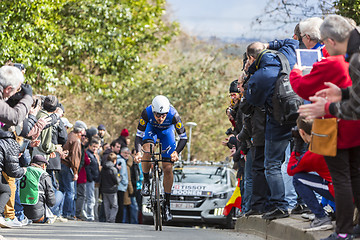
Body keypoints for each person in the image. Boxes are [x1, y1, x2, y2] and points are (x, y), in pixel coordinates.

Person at [297, 15, 360, 240]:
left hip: (343, 126)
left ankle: (343, 232)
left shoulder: (345, 59)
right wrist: (341, 94)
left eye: (323, 41)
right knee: (354, 176)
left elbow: (357, 104)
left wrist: (329, 107)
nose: (322, 45)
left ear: (332, 41)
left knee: (342, 178)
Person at [245, 38, 298, 220]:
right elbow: (291, 41)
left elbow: (251, 103)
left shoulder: (260, 76)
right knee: (300, 161)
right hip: (300, 118)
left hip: (278, 123)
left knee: (272, 165)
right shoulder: (289, 53)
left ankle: (280, 205)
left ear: (252, 58)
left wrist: (248, 74)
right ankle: (302, 203)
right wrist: (269, 44)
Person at [134, 95, 188, 221]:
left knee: (167, 167)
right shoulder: (147, 113)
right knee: (147, 150)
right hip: (151, 130)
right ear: (153, 111)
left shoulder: (174, 115)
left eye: (163, 115)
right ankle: (146, 181)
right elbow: (138, 136)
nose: (160, 118)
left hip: (167, 133)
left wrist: (176, 152)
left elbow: (183, 137)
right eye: (158, 115)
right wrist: (138, 152)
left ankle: (167, 205)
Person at [287, 116, 334, 231]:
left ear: (302, 132)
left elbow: (291, 170)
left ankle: (321, 217)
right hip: (352, 186)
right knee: (328, 178)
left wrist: (296, 148)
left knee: (298, 178)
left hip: (343, 192)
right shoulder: (333, 138)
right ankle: (331, 210)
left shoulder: (313, 153)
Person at [59, 120, 87, 220]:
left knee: (62, 189)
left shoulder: (68, 135)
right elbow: (75, 157)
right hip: (68, 166)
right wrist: (75, 171)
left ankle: (60, 211)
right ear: (81, 131)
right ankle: (68, 213)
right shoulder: (76, 140)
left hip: (61, 164)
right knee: (70, 192)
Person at [20, 155, 56, 223]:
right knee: (60, 194)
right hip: (38, 216)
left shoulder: (23, 170)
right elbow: (51, 200)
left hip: (23, 212)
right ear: (43, 166)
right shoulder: (43, 173)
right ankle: (51, 215)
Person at [100, 153, 120, 223]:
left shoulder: (103, 168)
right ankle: (111, 219)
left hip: (104, 189)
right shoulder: (113, 169)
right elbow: (116, 180)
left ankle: (107, 218)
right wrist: (120, 177)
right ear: (114, 160)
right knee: (114, 206)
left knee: (106, 205)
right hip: (112, 189)